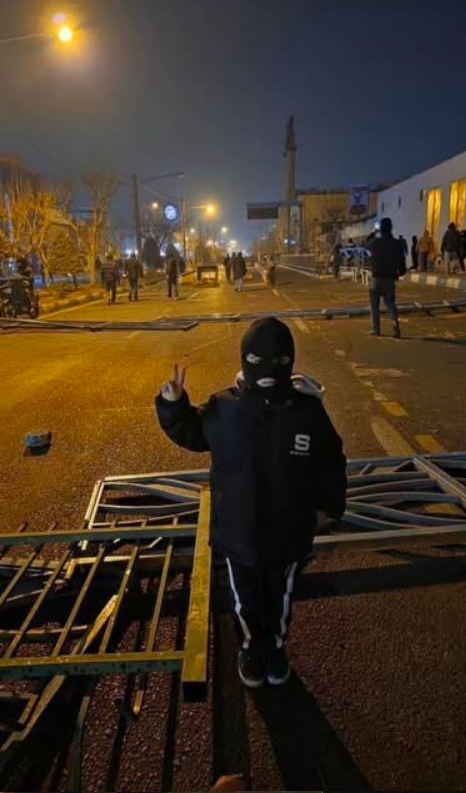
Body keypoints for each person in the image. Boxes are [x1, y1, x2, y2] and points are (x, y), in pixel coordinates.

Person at [155, 317, 347, 688]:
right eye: (258, 360)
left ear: (290, 361)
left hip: (288, 531)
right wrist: (173, 404)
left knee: (280, 597)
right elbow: (192, 433)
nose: (268, 370)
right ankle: (250, 647)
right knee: (244, 598)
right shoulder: (225, 407)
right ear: (245, 359)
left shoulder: (307, 412)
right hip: (237, 529)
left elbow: (331, 461)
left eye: (279, 362)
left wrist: (328, 507)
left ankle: (275, 647)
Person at [367, 217, 406, 338]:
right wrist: (400, 273)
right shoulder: (397, 243)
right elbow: (402, 261)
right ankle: (395, 326)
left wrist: (374, 232)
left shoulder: (375, 243)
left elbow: (365, 243)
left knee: (374, 305)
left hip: (376, 279)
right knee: (390, 304)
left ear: (381, 229)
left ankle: (376, 329)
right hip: (390, 278)